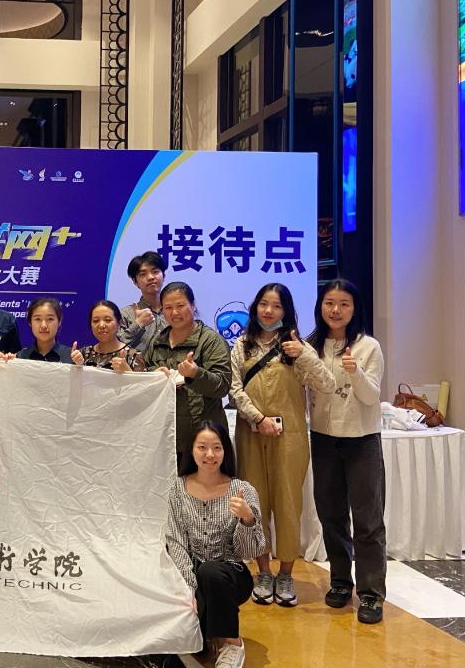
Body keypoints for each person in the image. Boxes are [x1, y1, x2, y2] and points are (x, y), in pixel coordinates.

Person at [229, 283, 334, 608]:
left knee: (289, 505)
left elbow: (327, 383)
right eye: (264, 304)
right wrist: (257, 418)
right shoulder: (242, 345)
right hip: (250, 434)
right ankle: (263, 571)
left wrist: (305, 355)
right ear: (255, 307)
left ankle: (286, 574)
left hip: (290, 439)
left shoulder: (296, 348)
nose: (269, 311)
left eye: (276, 306)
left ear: (286, 311)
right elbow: (234, 388)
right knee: (254, 504)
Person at [307, 278, 387, 624]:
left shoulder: (368, 346)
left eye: (343, 304)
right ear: (320, 307)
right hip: (323, 439)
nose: (336, 310)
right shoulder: (311, 345)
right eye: (329, 303)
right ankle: (340, 582)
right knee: (331, 515)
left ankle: (371, 594)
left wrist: (355, 373)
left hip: (361, 440)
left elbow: (371, 397)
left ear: (355, 308)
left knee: (368, 520)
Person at [166, 421, 267, 668]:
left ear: (225, 451)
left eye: (217, 447)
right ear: (191, 450)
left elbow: (250, 551)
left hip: (230, 576)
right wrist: (188, 588)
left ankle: (233, 644)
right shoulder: (177, 489)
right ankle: (206, 635)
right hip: (191, 576)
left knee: (211, 571)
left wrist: (247, 519)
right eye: (202, 447)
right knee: (191, 647)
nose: (210, 454)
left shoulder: (242, 490)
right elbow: (176, 542)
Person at [145, 282, 232, 456]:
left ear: (193, 306)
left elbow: (222, 386)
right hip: (165, 435)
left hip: (204, 436)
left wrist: (195, 374)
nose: (174, 313)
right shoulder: (156, 341)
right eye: (168, 308)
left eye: (180, 306)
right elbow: (144, 378)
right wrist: (152, 375)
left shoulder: (211, 341)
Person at [70, 300, 146, 372]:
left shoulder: (133, 355)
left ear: (119, 323)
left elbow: (142, 382)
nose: (101, 325)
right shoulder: (83, 354)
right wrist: (78, 367)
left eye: (108, 320)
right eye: (96, 321)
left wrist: (127, 372)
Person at [118, 251, 168, 351]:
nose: (150, 277)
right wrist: (138, 324)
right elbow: (116, 348)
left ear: (163, 276)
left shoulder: (175, 312)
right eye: (143, 274)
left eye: (155, 272)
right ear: (135, 282)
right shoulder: (125, 314)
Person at [13, 297, 74, 363]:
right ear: (30, 323)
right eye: (38, 319)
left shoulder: (71, 356)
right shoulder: (21, 357)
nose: (43, 326)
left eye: (50, 319)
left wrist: (79, 364)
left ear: (59, 321)